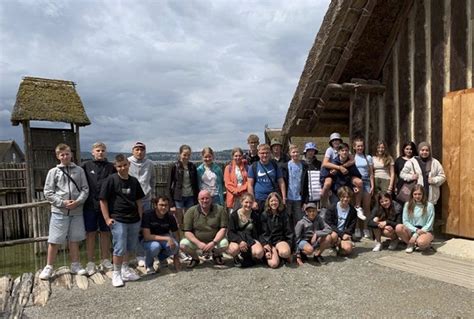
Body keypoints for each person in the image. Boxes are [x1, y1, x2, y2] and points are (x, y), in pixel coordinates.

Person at [39, 144, 89, 280]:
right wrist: (62, 203)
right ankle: (49, 267)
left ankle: (75, 264)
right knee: (54, 240)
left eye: (67, 154)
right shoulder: (53, 172)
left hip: (77, 211)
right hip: (59, 212)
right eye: (62, 154)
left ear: (71, 154)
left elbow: (85, 189)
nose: (65, 156)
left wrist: (78, 202)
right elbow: (48, 192)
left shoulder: (79, 171)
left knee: (74, 239)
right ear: (58, 156)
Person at [99, 154, 145, 287]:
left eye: (125, 165)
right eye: (119, 166)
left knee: (129, 246)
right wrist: (107, 218)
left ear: (129, 164)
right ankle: (116, 273)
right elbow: (103, 200)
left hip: (134, 219)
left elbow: (139, 200)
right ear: (115, 167)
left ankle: (125, 269)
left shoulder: (134, 181)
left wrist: (140, 217)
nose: (123, 168)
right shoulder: (110, 180)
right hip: (118, 219)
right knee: (119, 247)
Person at [81, 142, 116, 275]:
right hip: (89, 205)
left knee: (105, 233)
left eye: (102, 150)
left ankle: (105, 259)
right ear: (93, 152)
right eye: (98, 150)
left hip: (106, 206)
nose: (100, 152)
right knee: (90, 233)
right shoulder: (85, 166)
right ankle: (90, 262)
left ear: (105, 152)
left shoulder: (111, 167)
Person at [180, 190, 229, 268]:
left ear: (211, 199)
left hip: (214, 240)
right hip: (197, 241)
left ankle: (216, 255)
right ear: (198, 200)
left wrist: (213, 243)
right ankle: (195, 258)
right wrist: (199, 243)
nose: (205, 201)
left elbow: (223, 229)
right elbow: (187, 232)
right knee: (183, 245)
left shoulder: (220, 209)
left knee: (225, 244)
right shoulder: (190, 211)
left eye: (207, 198)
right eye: (202, 198)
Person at [320, 143, 365, 220]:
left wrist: (354, 187)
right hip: (335, 189)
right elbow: (324, 175)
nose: (344, 152)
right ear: (339, 152)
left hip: (346, 187)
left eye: (346, 150)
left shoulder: (351, 163)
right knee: (335, 210)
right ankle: (323, 207)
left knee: (359, 182)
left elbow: (354, 175)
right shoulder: (333, 162)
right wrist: (329, 188)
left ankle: (358, 207)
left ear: (348, 152)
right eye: (342, 150)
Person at [128, 141, 156, 266]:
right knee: (133, 227)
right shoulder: (128, 162)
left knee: (144, 227)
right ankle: (137, 255)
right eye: (137, 149)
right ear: (133, 150)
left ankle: (145, 253)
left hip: (146, 199)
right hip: (131, 201)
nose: (139, 152)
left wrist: (151, 194)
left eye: (142, 149)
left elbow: (153, 180)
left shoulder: (149, 163)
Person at [141, 196, 180, 274]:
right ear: (155, 205)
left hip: (163, 236)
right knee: (155, 246)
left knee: (175, 246)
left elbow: (177, 236)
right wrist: (167, 239)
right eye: (161, 205)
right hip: (147, 239)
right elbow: (147, 236)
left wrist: (176, 257)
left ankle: (161, 258)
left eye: (166, 205)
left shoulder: (170, 217)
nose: (163, 207)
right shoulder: (147, 214)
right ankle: (149, 265)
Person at [227, 193, 264, 267]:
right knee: (234, 249)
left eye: (250, 202)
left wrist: (263, 244)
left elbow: (260, 231)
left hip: (251, 238)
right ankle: (236, 256)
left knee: (259, 253)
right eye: (246, 202)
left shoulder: (255, 215)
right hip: (237, 238)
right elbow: (230, 232)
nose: (248, 205)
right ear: (241, 202)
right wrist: (240, 241)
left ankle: (251, 257)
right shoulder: (234, 215)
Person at [247, 144, 286, 213]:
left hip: (273, 199)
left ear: (270, 153)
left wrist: (283, 198)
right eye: (262, 153)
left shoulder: (274, 165)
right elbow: (250, 185)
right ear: (258, 154)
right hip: (259, 199)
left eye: (267, 153)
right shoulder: (253, 167)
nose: (265, 155)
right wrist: (252, 201)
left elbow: (281, 182)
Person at [395, 185, 435, 253]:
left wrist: (416, 235)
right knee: (398, 227)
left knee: (422, 243)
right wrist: (415, 230)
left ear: (423, 194)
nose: (417, 196)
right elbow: (405, 221)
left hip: (425, 230)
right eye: (415, 194)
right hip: (412, 229)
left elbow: (429, 224)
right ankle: (410, 244)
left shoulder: (429, 206)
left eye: (419, 194)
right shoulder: (407, 204)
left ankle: (421, 243)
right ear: (412, 194)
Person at [168, 144, 199, 229]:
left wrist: (196, 198)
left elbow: (195, 184)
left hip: (190, 196)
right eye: (184, 154)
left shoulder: (192, 166)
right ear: (180, 154)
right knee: (178, 220)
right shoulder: (174, 166)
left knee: (189, 219)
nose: (186, 157)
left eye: (188, 155)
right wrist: (171, 203)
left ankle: (187, 238)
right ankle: (179, 239)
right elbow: (169, 185)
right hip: (178, 197)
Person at [260, 192, 293, 268]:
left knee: (285, 253)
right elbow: (262, 232)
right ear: (268, 202)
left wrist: (290, 245)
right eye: (271, 201)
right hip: (269, 242)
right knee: (273, 264)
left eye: (276, 201)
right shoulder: (264, 215)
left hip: (280, 240)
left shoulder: (284, 214)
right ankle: (275, 254)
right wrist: (265, 244)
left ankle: (280, 253)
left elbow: (289, 231)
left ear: (279, 202)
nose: (274, 203)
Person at [324, 186, 357, 256]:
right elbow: (329, 223)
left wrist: (346, 234)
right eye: (343, 197)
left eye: (347, 197)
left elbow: (352, 226)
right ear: (339, 197)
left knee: (348, 249)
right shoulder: (332, 208)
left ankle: (339, 245)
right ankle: (333, 246)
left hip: (345, 233)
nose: (345, 199)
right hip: (334, 232)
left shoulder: (353, 210)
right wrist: (341, 234)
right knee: (334, 236)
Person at [281, 144, 307, 230]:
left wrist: (305, 200)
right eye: (293, 152)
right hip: (288, 197)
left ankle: (298, 237)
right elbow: (282, 182)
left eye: (297, 152)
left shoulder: (303, 166)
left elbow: (306, 184)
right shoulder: (285, 166)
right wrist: (283, 196)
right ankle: (289, 236)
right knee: (288, 218)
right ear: (290, 153)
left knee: (299, 219)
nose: (295, 154)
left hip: (299, 197)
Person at [352, 137, 374, 239]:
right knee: (357, 207)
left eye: (361, 146)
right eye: (358, 146)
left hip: (366, 182)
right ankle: (356, 228)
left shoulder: (368, 157)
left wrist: (372, 185)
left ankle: (365, 228)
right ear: (354, 147)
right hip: (357, 182)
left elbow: (371, 173)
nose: (360, 147)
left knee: (366, 207)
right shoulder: (352, 158)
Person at [224, 147, 248, 213]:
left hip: (244, 195)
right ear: (232, 156)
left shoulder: (246, 167)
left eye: (240, 156)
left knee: (244, 214)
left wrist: (239, 190)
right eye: (236, 156)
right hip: (232, 196)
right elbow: (227, 182)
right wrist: (235, 191)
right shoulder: (228, 168)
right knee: (232, 216)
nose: (238, 157)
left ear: (242, 156)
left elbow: (248, 181)